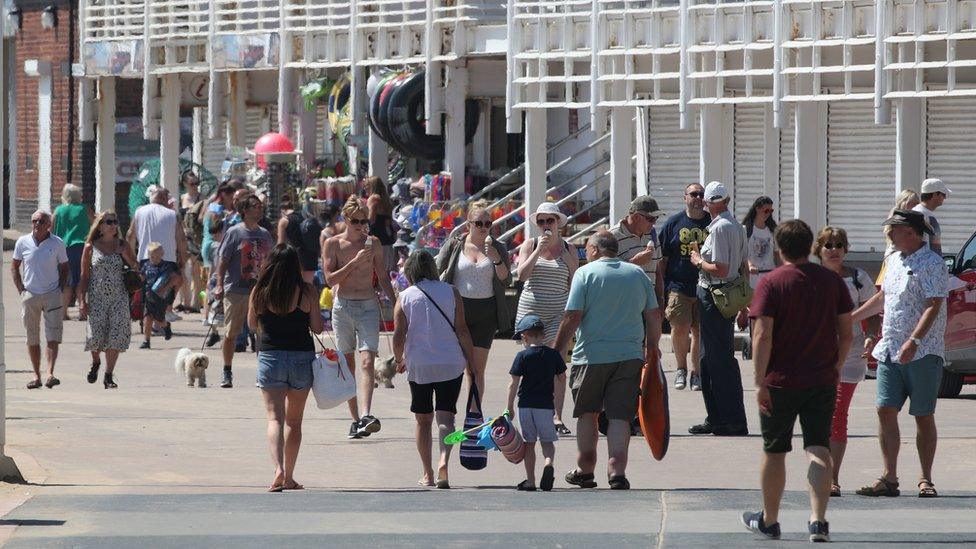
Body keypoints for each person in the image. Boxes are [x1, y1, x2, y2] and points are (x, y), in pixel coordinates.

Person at [742, 220, 854, 543]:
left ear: (779, 248)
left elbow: (762, 335)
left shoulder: (771, 282)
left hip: (780, 381)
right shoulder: (832, 282)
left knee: (775, 450)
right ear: (811, 246)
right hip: (822, 379)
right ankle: (818, 521)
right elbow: (845, 333)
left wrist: (759, 381)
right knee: (818, 446)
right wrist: (835, 365)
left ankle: (770, 519)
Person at [553, 231, 661, 490]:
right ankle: (617, 472)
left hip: (591, 356)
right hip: (629, 355)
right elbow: (654, 314)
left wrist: (556, 350)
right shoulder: (636, 274)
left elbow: (572, 316)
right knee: (620, 416)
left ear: (593, 250)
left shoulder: (585, 273)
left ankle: (585, 469)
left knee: (587, 413)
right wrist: (652, 348)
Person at [852, 209, 947, 499]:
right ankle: (889, 477)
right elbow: (883, 297)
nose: (890, 234)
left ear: (912, 233)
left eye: (894, 229)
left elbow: (933, 304)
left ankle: (925, 478)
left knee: (923, 414)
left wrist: (915, 340)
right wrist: (850, 318)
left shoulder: (932, 263)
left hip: (922, 351)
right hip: (890, 349)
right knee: (884, 409)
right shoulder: (892, 259)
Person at [392, 250, 474, 489]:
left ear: (410, 272)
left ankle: (427, 472)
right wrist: (472, 363)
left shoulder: (405, 296)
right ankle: (443, 462)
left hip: (420, 364)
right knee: (446, 416)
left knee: (422, 419)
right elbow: (462, 330)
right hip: (451, 362)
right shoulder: (452, 292)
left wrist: (399, 360)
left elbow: (398, 336)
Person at [248, 244, 324, 492]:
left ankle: (278, 469)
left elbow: (251, 324)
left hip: (271, 357)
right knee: (294, 422)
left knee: (275, 419)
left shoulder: (260, 291)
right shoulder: (307, 291)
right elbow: (318, 327)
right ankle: (289, 475)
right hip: (302, 357)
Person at [323, 196, 397, 439]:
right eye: (355, 221)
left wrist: (397, 305)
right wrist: (353, 263)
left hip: (367, 305)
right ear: (345, 219)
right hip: (343, 307)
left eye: (364, 221)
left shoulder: (373, 243)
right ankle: (355, 420)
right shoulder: (333, 244)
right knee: (348, 365)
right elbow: (330, 279)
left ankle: (366, 415)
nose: (360, 225)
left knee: (367, 361)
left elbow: (383, 277)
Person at [813, 226, 880, 497]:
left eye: (839, 244)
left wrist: (871, 336)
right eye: (828, 245)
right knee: (820, 417)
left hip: (850, 355)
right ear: (819, 249)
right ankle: (819, 471)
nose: (834, 249)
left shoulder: (858, 278)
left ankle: (832, 477)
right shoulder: (810, 278)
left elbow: (873, 312)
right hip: (816, 357)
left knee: (837, 414)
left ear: (846, 249)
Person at [436, 200, 512, 404]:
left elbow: (506, 279)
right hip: (458, 311)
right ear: (468, 224)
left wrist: (496, 259)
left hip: (486, 313)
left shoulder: (498, 247)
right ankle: (447, 409)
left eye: (488, 224)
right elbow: (434, 270)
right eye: (479, 223)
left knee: (476, 370)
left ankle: (474, 416)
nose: (484, 228)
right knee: (454, 366)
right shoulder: (454, 244)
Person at [688, 181, 749, 436]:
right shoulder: (736, 226)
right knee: (709, 358)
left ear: (708, 203)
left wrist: (699, 261)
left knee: (719, 359)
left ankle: (731, 419)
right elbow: (743, 266)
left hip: (716, 294)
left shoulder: (722, 228)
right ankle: (717, 417)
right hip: (726, 294)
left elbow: (722, 268)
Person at [514, 201, 578, 434]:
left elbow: (576, 277)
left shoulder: (568, 248)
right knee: (530, 362)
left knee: (557, 366)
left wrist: (562, 253)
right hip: (531, 312)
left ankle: (557, 417)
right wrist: (537, 251)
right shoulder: (529, 245)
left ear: (558, 223)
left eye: (549, 220)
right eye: (541, 222)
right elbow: (521, 275)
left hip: (557, 312)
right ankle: (530, 411)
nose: (545, 225)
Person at [214, 193, 275, 388]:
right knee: (231, 332)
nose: (260, 209)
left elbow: (271, 261)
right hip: (236, 290)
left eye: (260, 206)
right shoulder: (234, 232)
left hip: (259, 290)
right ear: (244, 211)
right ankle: (227, 370)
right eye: (255, 206)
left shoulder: (265, 234)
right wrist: (219, 284)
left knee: (261, 332)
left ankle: (263, 372)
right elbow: (223, 260)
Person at [657, 183, 710, 391]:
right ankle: (681, 369)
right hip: (678, 286)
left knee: (699, 330)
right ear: (685, 197)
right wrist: (661, 287)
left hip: (706, 285)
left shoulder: (711, 223)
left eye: (701, 194)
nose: (698, 197)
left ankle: (696, 373)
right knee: (679, 328)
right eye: (694, 194)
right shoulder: (673, 223)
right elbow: (663, 259)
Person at [78, 211, 139, 388]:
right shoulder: (90, 247)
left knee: (115, 336)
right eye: (108, 222)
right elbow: (84, 276)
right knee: (95, 337)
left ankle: (108, 375)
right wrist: (82, 300)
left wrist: (125, 255)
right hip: (97, 298)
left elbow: (136, 267)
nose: (113, 225)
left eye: (115, 221)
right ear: (100, 226)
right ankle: (96, 362)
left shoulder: (122, 244)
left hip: (118, 297)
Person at [506, 314, 567, 492]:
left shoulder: (522, 356)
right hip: (545, 406)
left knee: (529, 443)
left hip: (525, 405)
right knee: (547, 442)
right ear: (543, 335)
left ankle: (530, 480)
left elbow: (513, 382)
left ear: (524, 337)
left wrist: (509, 406)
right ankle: (548, 463)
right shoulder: (553, 355)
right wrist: (558, 409)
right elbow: (562, 378)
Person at [12, 210, 70, 389]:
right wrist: (21, 289)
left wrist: (60, 288)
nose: (37, 223)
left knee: (53, 334)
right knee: (32, 337)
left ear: (49, 225)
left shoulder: (57, 243)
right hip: (30, 295)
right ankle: (36, 376)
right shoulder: (23, 242)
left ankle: (50, 373)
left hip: (52, 294)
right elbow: (14, 266)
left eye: (41, 221)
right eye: (34, 220)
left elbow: (65, 267)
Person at [127, 186, 186, 323]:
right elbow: (181, 239)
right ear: (165, 199)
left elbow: (130, 235)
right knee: (172, 285)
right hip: (167, 260)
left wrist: (133, 259)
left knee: (147, 289)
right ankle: (164, 313)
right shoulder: (172, 214)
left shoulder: (139, 211)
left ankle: (150, 317)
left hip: (144, 258)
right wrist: (183, 257)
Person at [739, 196, 779, 358]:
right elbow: (742, 253)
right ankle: (755, 343)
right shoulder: (746, 229)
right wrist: (749, 265)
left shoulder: (772, 230)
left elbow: (777, 254)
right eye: (766, 210)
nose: (768, 214)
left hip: (768, 275)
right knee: (755, 311)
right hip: (752, 277)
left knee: (768, 311)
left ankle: (766, 343)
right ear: (757, 208)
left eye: (771, 211)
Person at [610, 195, 666, 305]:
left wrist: (660, 300)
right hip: (623, 302)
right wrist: (634, 262)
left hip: (649, 302)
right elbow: (605, 273)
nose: (654, 223)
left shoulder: (652, 234)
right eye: (650, 219)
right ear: (636, 217)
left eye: (656, 218)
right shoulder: (612, 236)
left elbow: (658, 271)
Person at [52, 184, 93, 320]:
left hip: (63, 248)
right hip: (82, 248)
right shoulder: (84, 209)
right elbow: (95, 224)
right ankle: (82, 311)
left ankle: (63, 313)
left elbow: (51, 229)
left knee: (66, 281)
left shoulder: (58, 210)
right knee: (82, 278)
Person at [139, 243, 179, 348]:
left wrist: (165, 289)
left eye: (157, 257)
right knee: (147, 318)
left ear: (162, 254)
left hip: (161, 297)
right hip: (148, 296)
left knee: (158, 319)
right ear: (148, 255)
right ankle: (146, 341)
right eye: (152, 256)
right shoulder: (146, 265)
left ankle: (165, 326)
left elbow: (175, 279)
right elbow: (142, 277)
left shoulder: (167, 266)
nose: (155, 259)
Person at [877, 189, 920, 285]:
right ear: (903, 202)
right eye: (912, 202)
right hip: (895, 255)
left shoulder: (916, 217)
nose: (915, 205)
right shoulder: (896, 216)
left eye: (917, 203)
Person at [178, 172, 205, 313]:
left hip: (196, 238)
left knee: (195, 271)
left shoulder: (202, 198)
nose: (195, 186)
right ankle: (184, 301)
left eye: (197, 183)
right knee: (183, 270)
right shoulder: (181, 199)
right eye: (192, 184)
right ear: (185, 184)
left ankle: (196, 302)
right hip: (183, 238)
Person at [366, 176, 398, 275]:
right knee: (385, 271)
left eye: (367, 186)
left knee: (375, 271)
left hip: (376, 239)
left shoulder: (373, 199)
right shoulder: (386, 199)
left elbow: (371, 220)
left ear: (372, 186)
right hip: (388, 238)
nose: (365, 189)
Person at [912, 178, 951, 255]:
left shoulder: (927, 213)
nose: (944, 198)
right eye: (943, 194)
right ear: (934, 194)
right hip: (923, 263)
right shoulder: (918, 213)